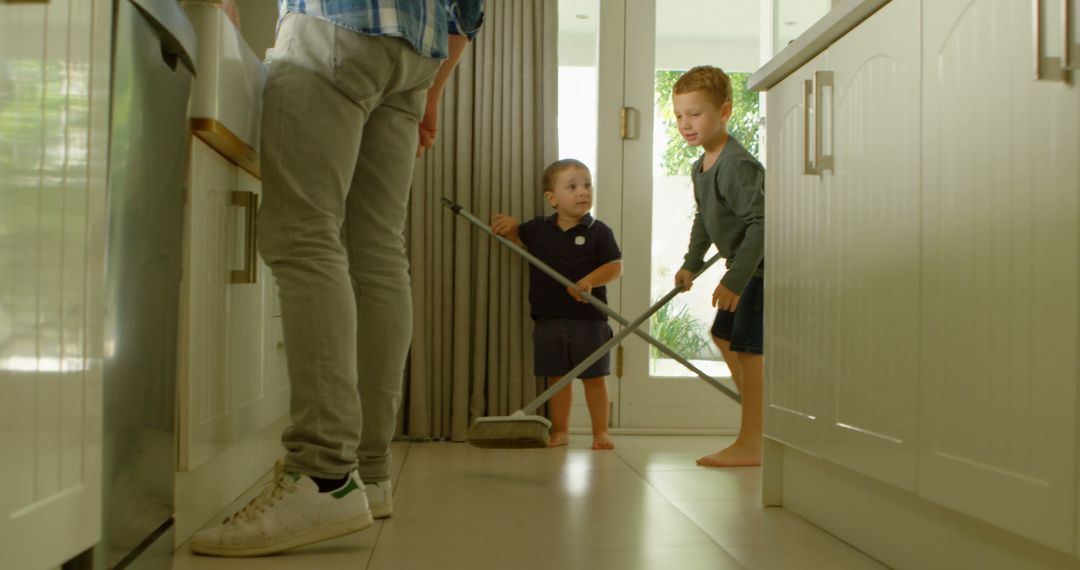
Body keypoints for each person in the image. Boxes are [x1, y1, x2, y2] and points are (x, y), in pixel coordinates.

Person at [190, 0, 484, 557]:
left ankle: (322, 474)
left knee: (303, 235)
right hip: (415, 56)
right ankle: (369, 473)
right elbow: (471, 10)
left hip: (334, 25)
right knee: (375, 252)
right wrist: (433, 94)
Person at [491, 159, 622, 450]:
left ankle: (601, 432)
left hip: (590, 319)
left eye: (587, 185)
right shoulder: (538, 229)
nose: (583, 192)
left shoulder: (599, 232)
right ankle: (560, 431)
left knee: (594, 377)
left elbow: (615, 267)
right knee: (557, 379)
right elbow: (517, 237)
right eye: (572, 186)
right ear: (552, 198)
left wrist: (590, 281)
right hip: (549, 320)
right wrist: (512, 226)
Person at [671, 66, 766, 468]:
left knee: (749, 351)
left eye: (695, 114)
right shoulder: (702, 167)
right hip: (745, 270)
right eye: (679, 115)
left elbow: (763, 223)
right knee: (724, 336)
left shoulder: (736, 165)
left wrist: (734, 280)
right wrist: (691, 264)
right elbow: (704, 219)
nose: (685, 124)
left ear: (724, 111)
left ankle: (754, 440)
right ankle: (762, 418)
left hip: (761, 270)